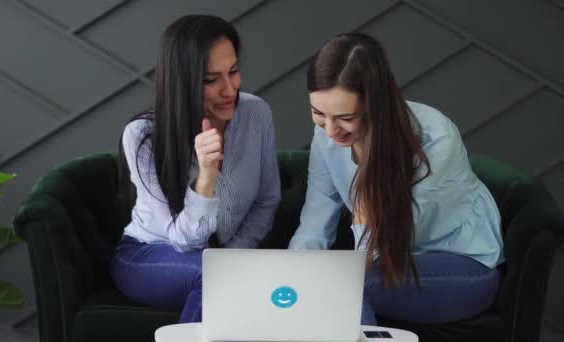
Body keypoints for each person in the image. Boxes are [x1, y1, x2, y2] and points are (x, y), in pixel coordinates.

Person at [288, 32, 504, 325]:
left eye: (345, 117)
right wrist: (290, 275)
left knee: (346, 289)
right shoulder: (326, 138)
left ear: (375, 104)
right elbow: (315, 222)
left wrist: (365, 216)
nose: (329, 130)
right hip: (384, 264)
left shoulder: (435, 138)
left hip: (463, 263)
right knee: (313, 288)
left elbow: (396, 236)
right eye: (318, 113)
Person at [111, 14, 281, 323]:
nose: (229, 90)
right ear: (184, 80)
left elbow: (266, 201)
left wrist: (233, 256)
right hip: (148, 254)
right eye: (211, 79)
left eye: (233, 71)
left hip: (221, 259)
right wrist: (206, 177)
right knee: (218, 279)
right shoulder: (142, 136)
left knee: (231, 280)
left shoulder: (257, 114)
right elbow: (183, 241)